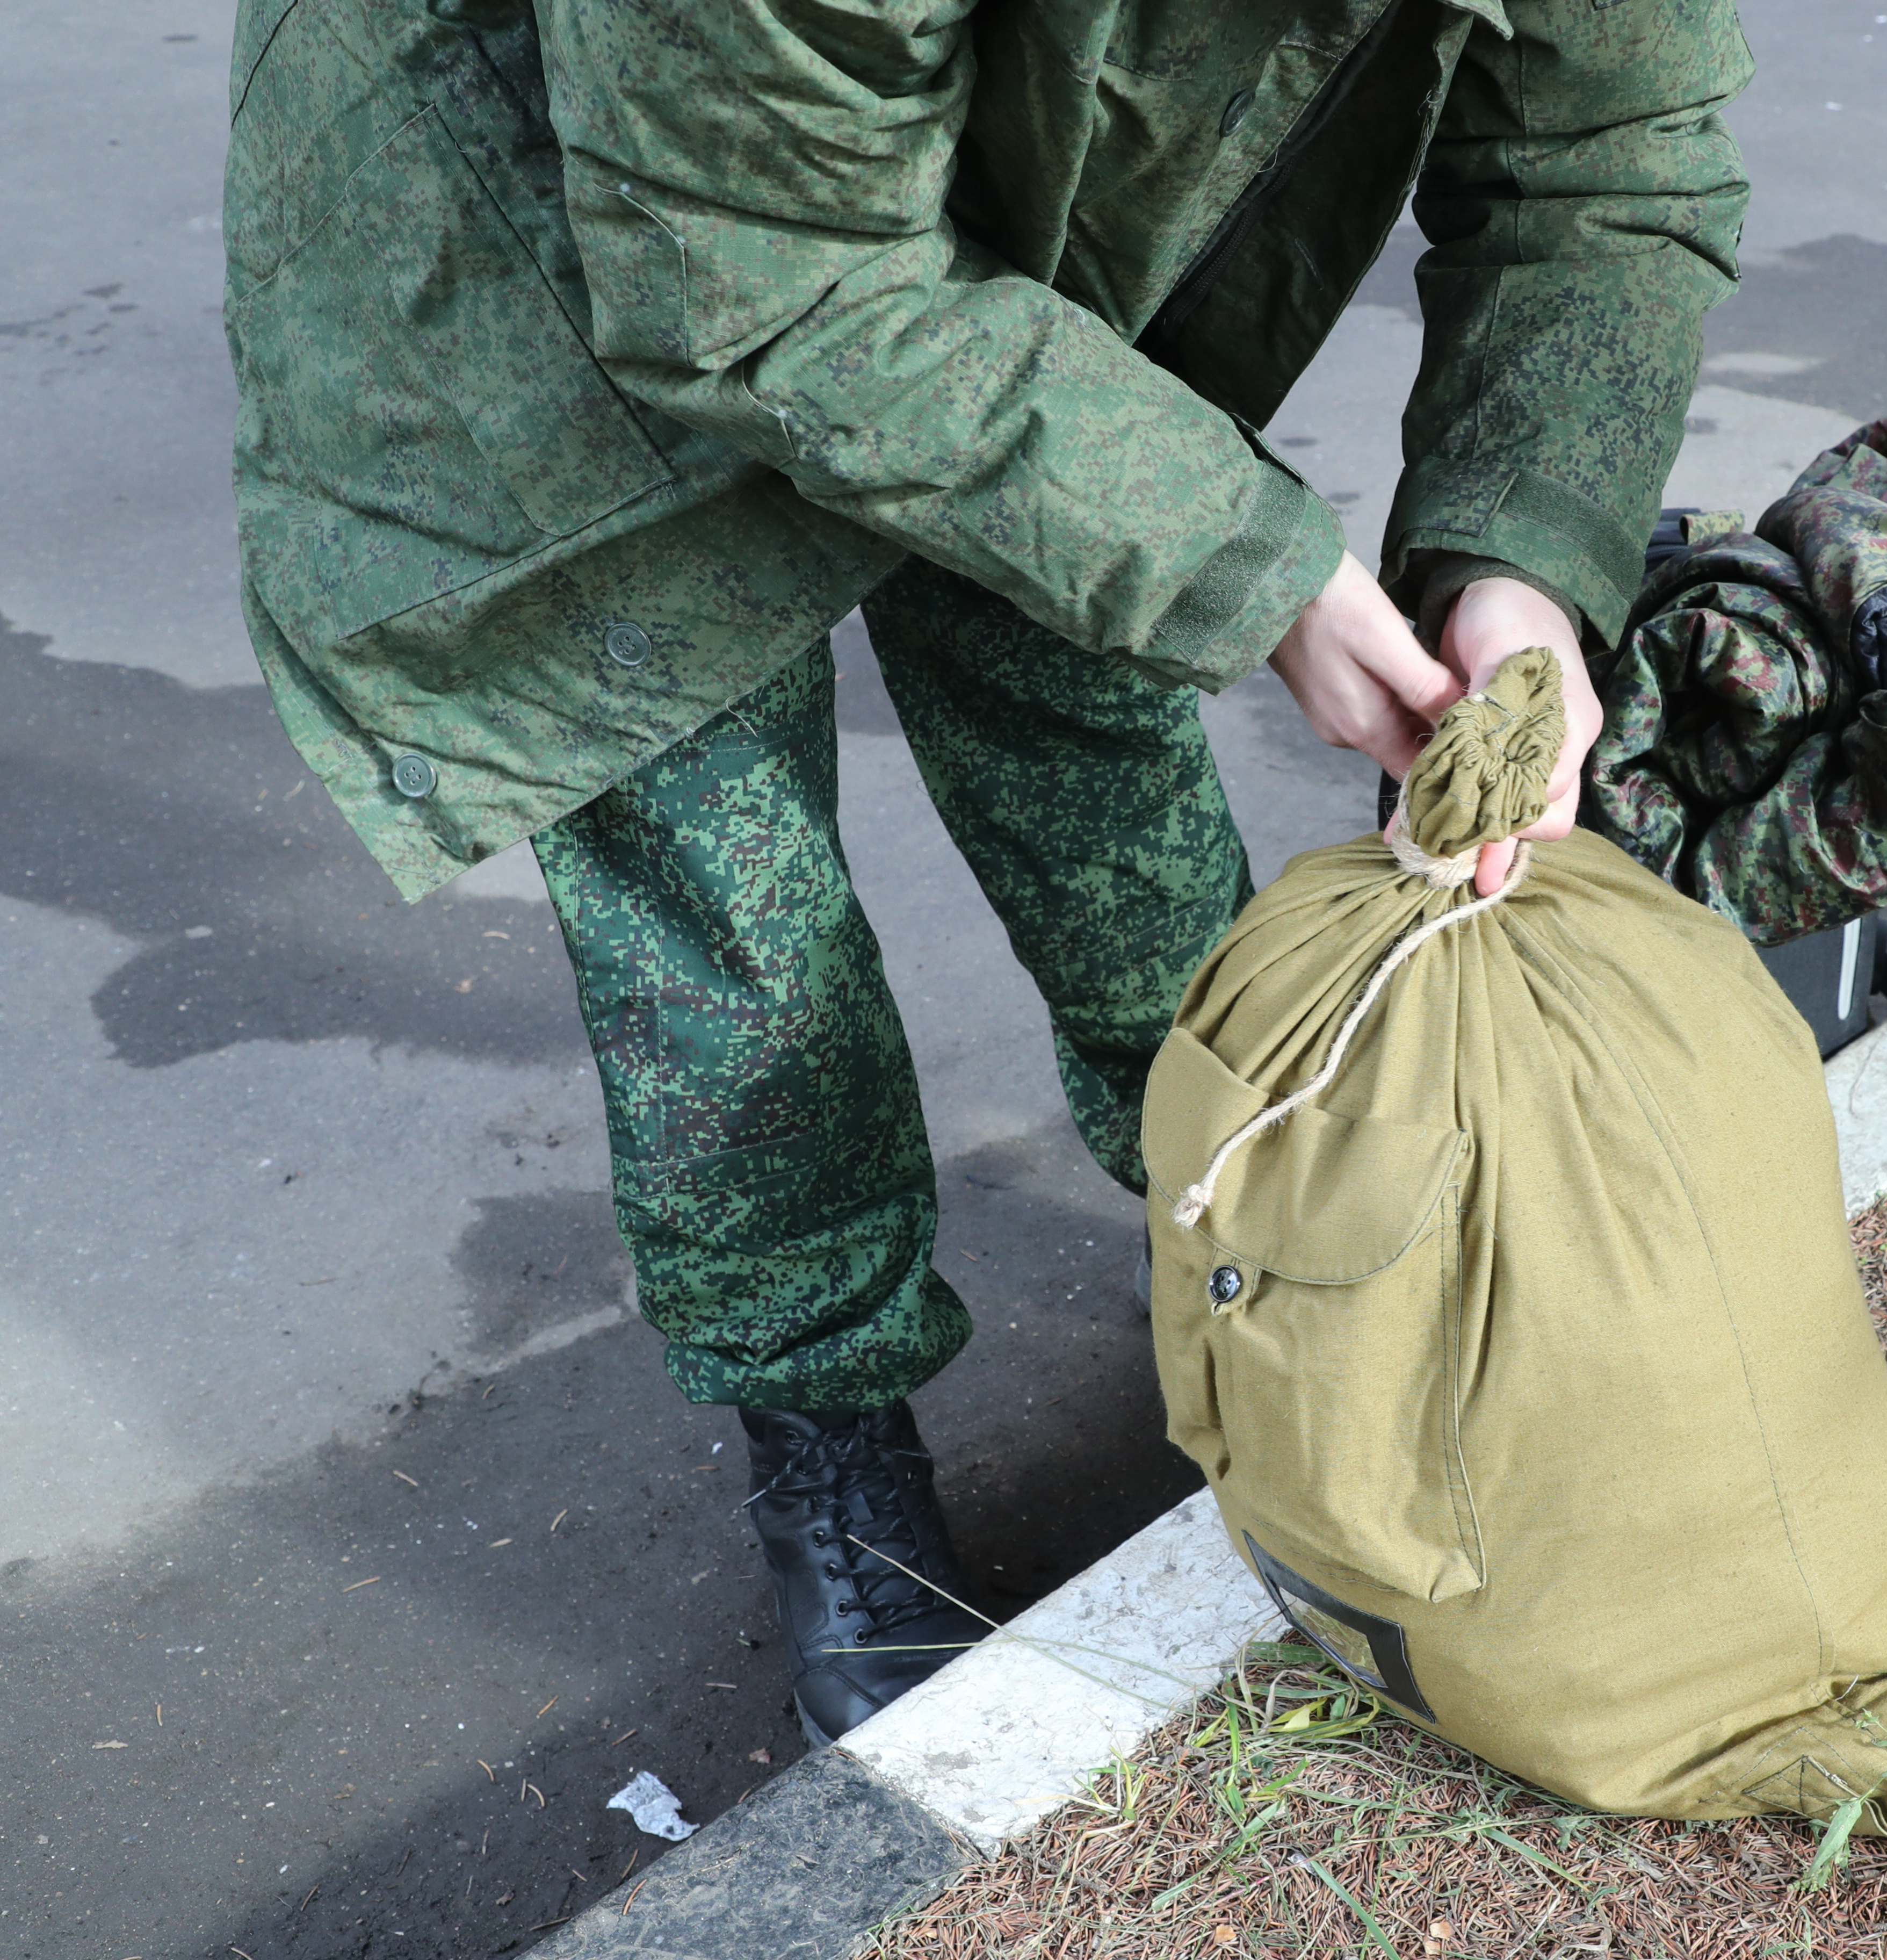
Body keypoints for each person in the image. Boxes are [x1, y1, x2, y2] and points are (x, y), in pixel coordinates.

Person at [223, 0, 1752, 1743]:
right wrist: (1257, 572)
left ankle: (1263, 1263)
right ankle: (827, 1422)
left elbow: (1606, 149)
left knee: (1094, 722)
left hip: (964, 192)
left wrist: (1521, 559)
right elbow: (766, 281)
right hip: (558, 220)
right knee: (731, 911)